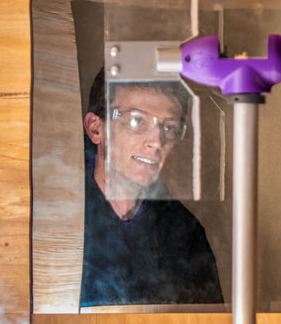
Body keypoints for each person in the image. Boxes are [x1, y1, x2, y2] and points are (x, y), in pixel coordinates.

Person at [78, 70, 223, 307]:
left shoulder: (186, 233)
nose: (156, 141)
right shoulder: (59, 216)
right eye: (137, 121)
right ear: (96, 129)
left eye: (168, 128)